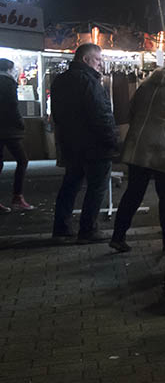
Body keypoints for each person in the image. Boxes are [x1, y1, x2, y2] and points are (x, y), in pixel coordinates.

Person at [110, 54, 165, 253]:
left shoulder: (146, 86)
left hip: (138, 145)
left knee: (133, 192)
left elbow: (131, 111)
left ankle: (118, 236)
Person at [52, 43, 119, 242]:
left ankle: (61, 227)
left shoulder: (60, 81)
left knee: (70, 185)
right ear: (85, 59)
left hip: (71, 144)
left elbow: (57, 114)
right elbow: (100, 115)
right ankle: (88, 230)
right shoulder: (89, 82)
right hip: (94, 145)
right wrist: (112, 140)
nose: (101, 64)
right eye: (98, 59)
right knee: (96, 187)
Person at [0, 58, 35, 212]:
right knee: (22, 160)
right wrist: (20, 123)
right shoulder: (8, 83)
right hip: (9, 130)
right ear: (9, 69)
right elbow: (12, 105)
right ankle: (17, 197)